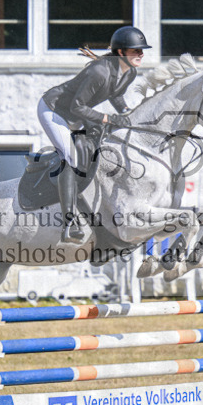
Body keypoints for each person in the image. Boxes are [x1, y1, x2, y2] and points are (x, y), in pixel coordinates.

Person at [38, 26, 151, 243]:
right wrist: (107, 119)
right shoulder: (99, 71)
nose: (141, 54)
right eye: (136, 50)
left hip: (78, 114)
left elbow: (115, 95)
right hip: (54, 110)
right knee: (70, 158)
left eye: (141, 50)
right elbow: (76, 107)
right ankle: (69, 223)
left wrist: (127, 115)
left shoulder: (130, 73)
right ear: (121, 53)